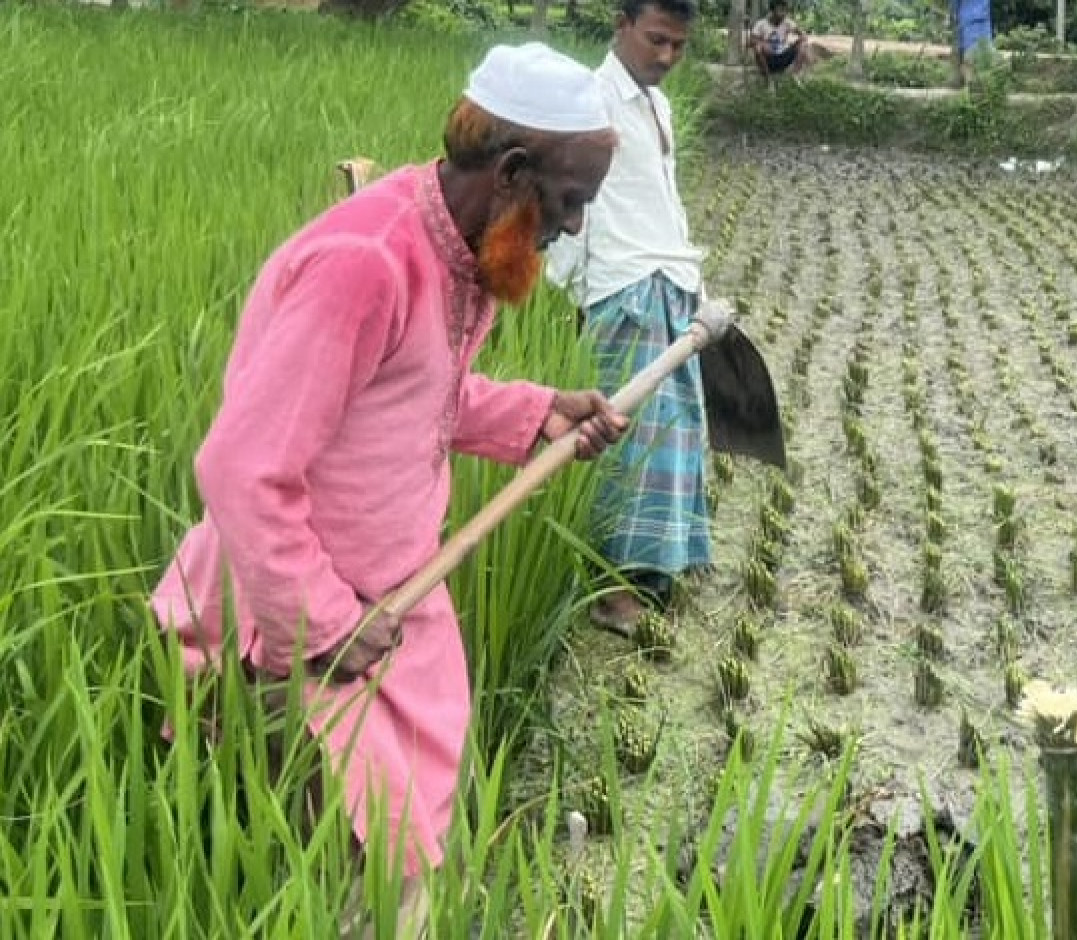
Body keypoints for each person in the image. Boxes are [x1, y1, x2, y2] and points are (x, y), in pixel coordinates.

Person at [149, 43, 629, 935]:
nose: (571, 227)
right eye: (569, 201)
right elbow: (240, 466)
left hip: (392, 608)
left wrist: (537, 412)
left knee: (392, 867)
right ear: (511, 173)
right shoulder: (365, 264)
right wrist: (325, 623)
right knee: (346, 874)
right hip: (304, 623)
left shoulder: (456, 250)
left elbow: (411, 396)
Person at [545, 0, 712, 632]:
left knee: (674, 436)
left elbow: (664, 201)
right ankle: (613, 593)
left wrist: (695, 284)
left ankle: (656, 574)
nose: (666, 56)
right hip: (623, 290)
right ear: (622, 25)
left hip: (669, 281)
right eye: (656, 39)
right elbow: (575, 207)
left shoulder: (656, 104)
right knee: (628, 443)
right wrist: (572, 297)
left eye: (678, 46)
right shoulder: (593, 101)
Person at [750, 0, 809, 79]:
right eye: (781, 10)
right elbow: (751, 40)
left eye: (785, 10)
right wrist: (763, 43)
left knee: (803, 44)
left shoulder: (787, 22)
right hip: (769, 59)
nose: (783, 13)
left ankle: (795, 75)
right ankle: (768, 78)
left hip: (783, 56)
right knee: (758, 47)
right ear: (772, 11)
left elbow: (803, 35)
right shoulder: (761, 24)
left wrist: (797, 41)